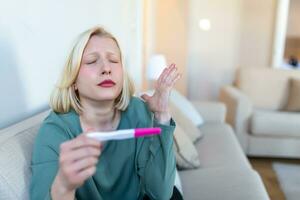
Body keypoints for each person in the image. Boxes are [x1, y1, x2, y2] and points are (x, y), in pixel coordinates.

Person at [30, 26, 182, 200]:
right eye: (92, 61)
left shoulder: (139, 111)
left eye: (114, 60)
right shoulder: (55, 131)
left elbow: (160, 194)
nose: (106, 68)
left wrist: (162, 115)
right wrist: (63, 186)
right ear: (73, 82)